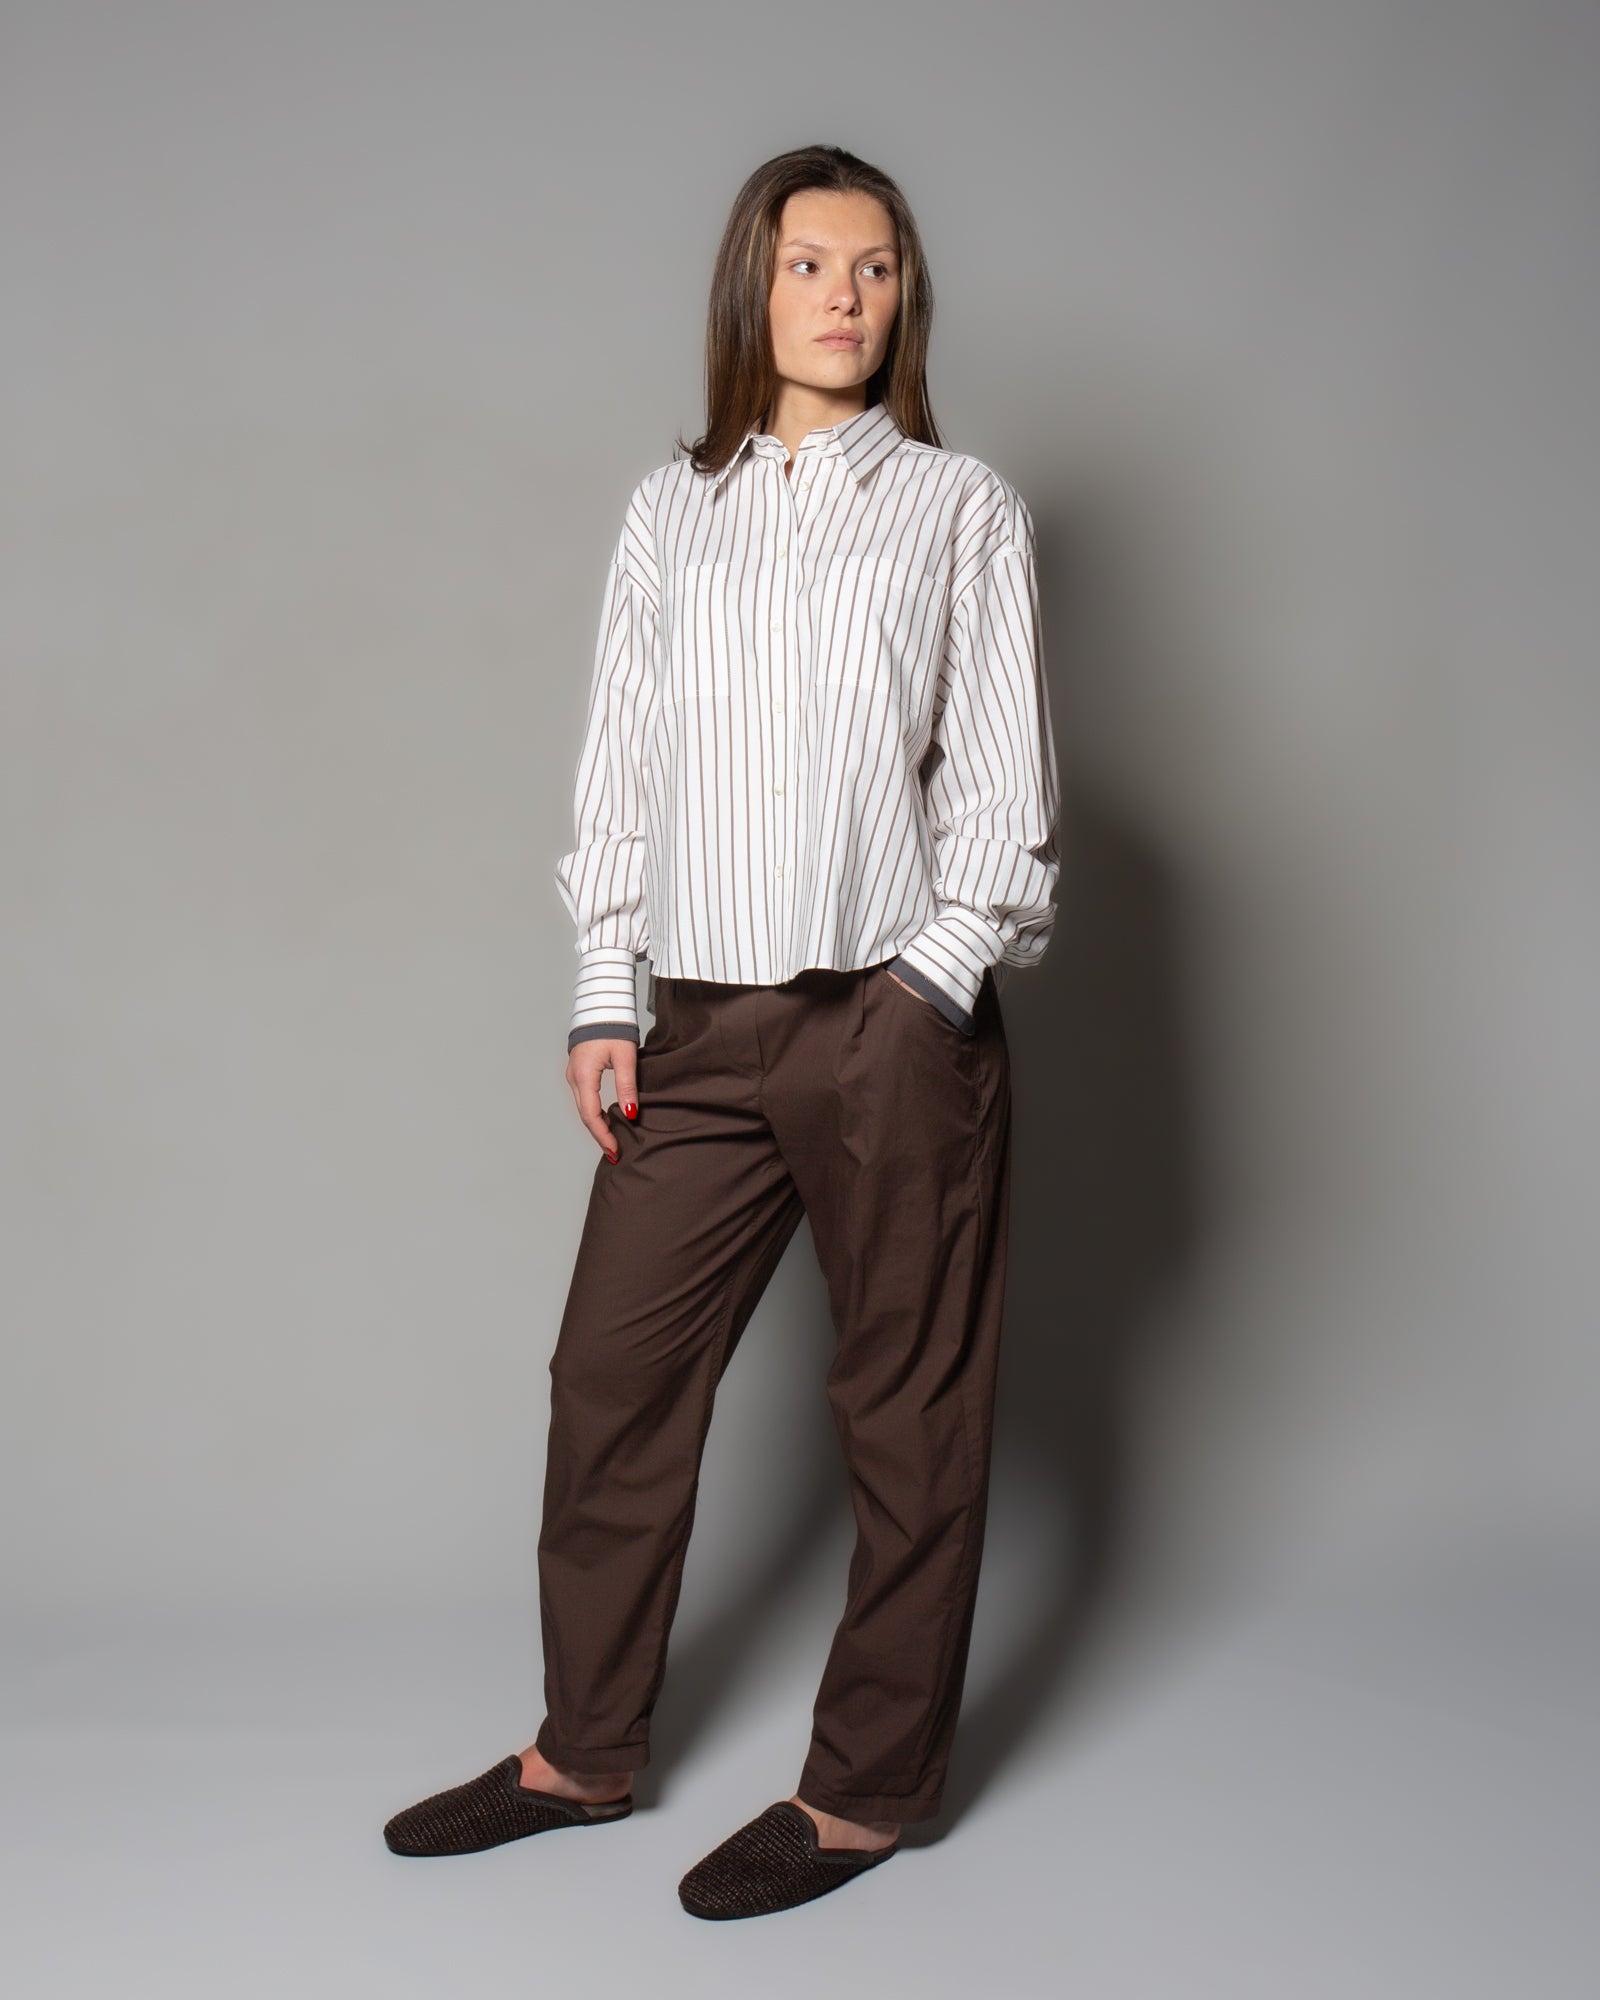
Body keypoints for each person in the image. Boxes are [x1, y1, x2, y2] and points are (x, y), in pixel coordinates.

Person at [383, 141, 1061, 1921]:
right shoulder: (670, 509)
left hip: (888, 1022)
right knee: (610, 1383)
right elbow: (624, 762)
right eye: (808, 263)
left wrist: (928, 988)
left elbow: (1003, 792)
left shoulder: (960, 507)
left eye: (876, 267)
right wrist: (606, 994)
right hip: (692, 1024)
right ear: (750, 289)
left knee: (908, 1411)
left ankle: (866, 1792)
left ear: (907, 298)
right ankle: (581, 1754)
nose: (845, 296)